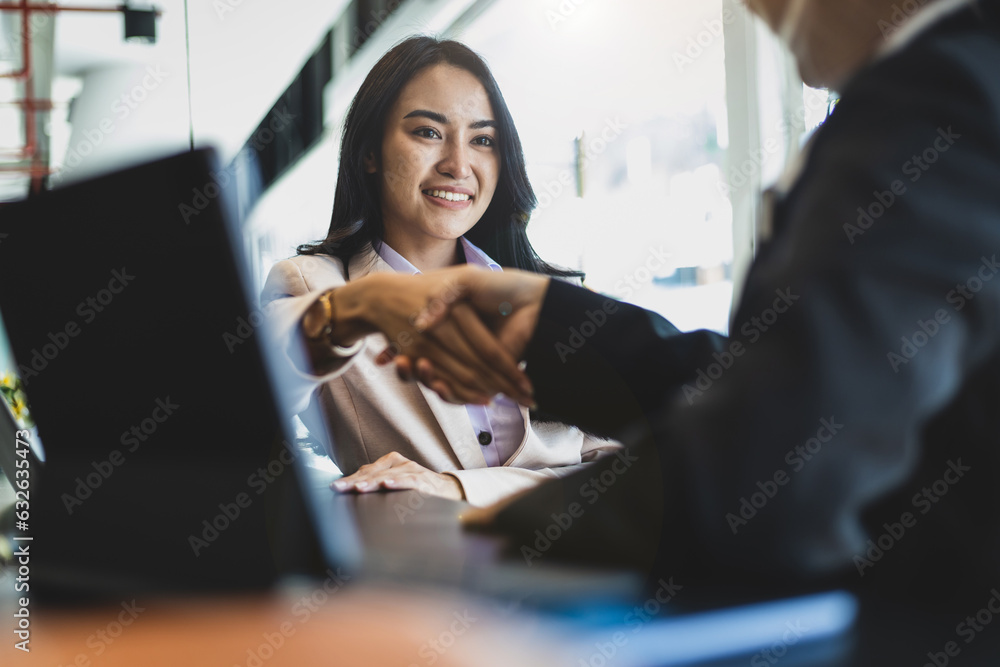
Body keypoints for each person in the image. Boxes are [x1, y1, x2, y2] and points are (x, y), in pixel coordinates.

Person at [375, 0, 1000, 601]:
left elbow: (781, 464)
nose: (755, 7)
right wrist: (550, 320)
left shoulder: (945, 92)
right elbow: (782, 384)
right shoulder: (945, 83)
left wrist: (482, 533)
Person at [261, 37, 619, 507]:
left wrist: (456, 486)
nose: (457, 164)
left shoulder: (557, 296)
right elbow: (241, 402)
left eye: (483, 140)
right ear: (370, 153)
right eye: (428, 132)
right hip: (424, 567)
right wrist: (356, 309)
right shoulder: (322, 287)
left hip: (578, 567)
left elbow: (622, 469)